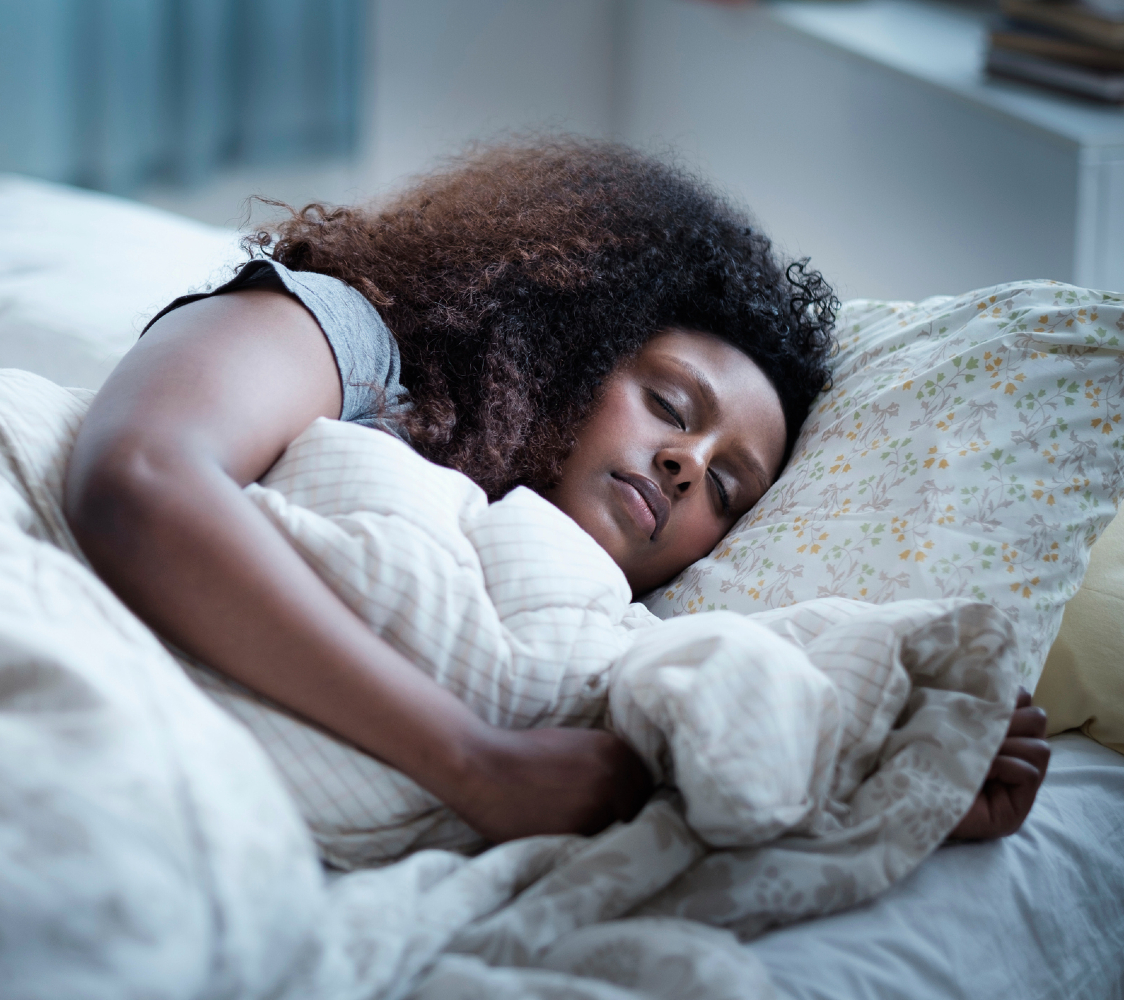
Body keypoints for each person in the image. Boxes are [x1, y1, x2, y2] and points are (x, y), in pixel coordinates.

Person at [64, 139, 1048, 847]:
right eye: (669, 403)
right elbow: (142, 479)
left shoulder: (590, 623)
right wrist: (472, 762)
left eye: (728, 487)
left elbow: (698, 737)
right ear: (565, 348)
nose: (687, 463)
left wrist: (909, 779)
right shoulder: (357, 344)